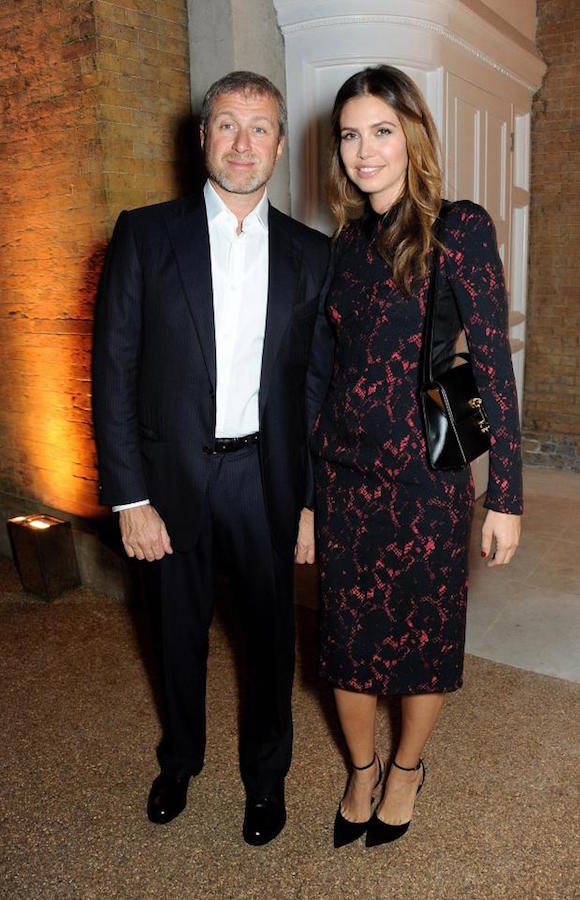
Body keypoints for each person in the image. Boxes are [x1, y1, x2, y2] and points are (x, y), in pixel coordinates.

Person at [92, 71, 329, 846]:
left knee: (270, 645)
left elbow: (317, 389)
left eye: (260, 128)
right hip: (168, 483)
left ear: (280, 145)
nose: (242, 143)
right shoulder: (144, 234)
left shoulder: (312, 254)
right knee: (174, 637)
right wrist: (129, 498)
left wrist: (311, 502)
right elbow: (113, 370)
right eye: (226, 124)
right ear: (202, 139)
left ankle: (267, 780)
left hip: (266, 480)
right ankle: (179, 761)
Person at [309, 65, 523, 848]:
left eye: (382, 131)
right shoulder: (342, 243)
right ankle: (361, 768)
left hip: (428, 476)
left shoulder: (458, 227)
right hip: (344, 477)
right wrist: (307, 495)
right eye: (350, 135)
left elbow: (491, 363)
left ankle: (406, 768)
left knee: (424, 641)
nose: (364, 151)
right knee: (347, 643)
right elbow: (325, 372)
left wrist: (506, 497)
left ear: (414, 138)